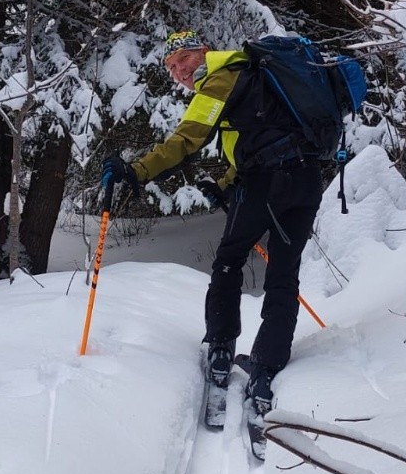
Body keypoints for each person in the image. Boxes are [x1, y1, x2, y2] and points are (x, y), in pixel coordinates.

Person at [101, 29, 324, 411]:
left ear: (202, 51)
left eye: (183, 61)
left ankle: (221, 348)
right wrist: (225, 183)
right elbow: (266, 137)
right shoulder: (255, 74)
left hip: (266, 185)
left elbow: (186, 140)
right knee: (284, 274)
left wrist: (137, 171)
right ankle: (267, 367)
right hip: (306, 183)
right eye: (171, 68)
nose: (179, 73)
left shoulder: (221, 78)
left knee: (228, 261)